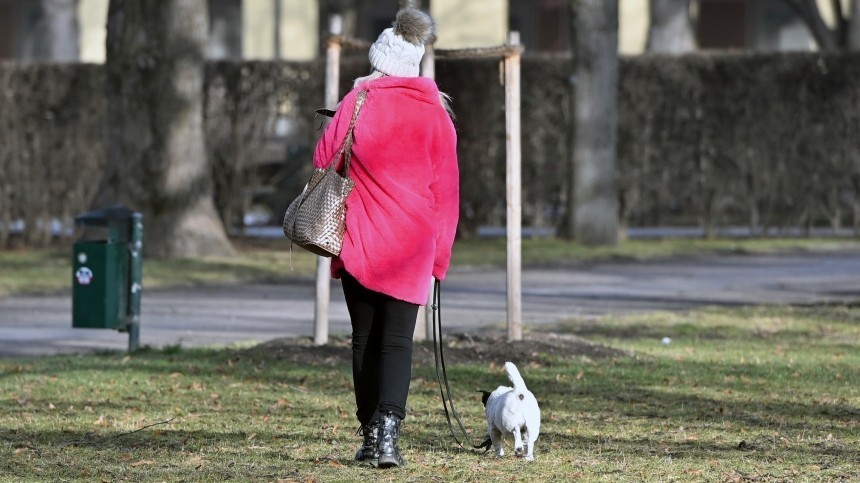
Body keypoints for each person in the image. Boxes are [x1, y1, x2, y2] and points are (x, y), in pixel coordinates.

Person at [311, 7, 459, 469]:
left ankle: (369, 434)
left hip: (360, 242)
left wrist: (345, 108)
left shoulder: (358, 103)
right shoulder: (437, 114)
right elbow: (447, 193)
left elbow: (322, 159)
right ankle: (389, 436)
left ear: (378, 62)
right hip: (413, 248)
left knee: (363, 339)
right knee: (397, 342)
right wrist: (440, 258)